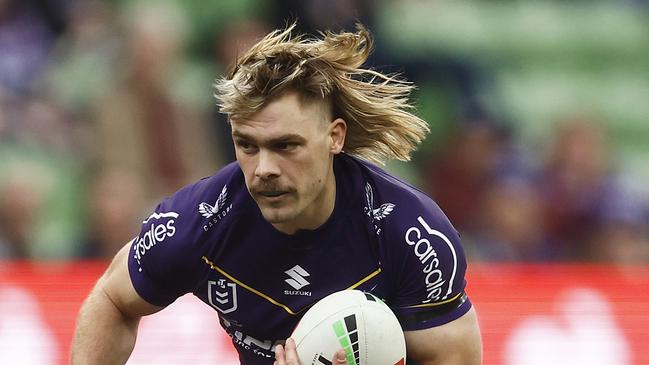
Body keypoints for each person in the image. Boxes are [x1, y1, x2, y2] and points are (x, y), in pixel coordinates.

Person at [71, 23, 482, 365]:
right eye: (247, 145)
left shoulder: (411, 233)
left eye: (286, 146)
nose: (264, 168)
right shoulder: (195, 223)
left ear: (334, 137)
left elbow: (454, 356)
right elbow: (113, 299)